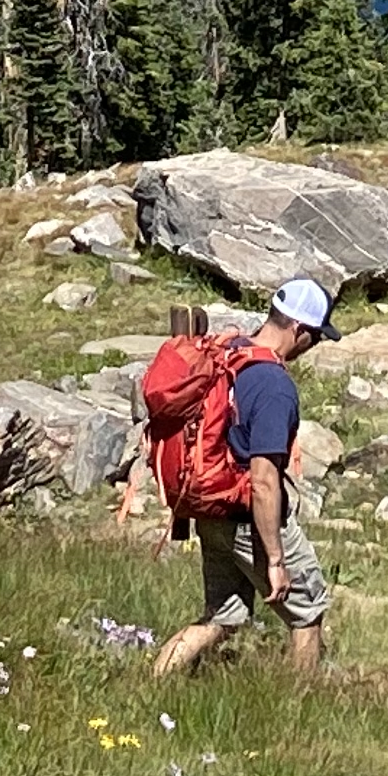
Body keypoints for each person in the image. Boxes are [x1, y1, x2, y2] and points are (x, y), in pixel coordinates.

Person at [143, 275, 335, 677]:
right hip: (246, 516)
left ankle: (153, 681)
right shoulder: (273, 385)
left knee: (222, 616)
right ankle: (302, 711)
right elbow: (263, 480)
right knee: (307, 611)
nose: (313, 345)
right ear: (298, 330)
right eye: (315, 337)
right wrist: (276, 559)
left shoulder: (226, 352)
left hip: (208, 511)